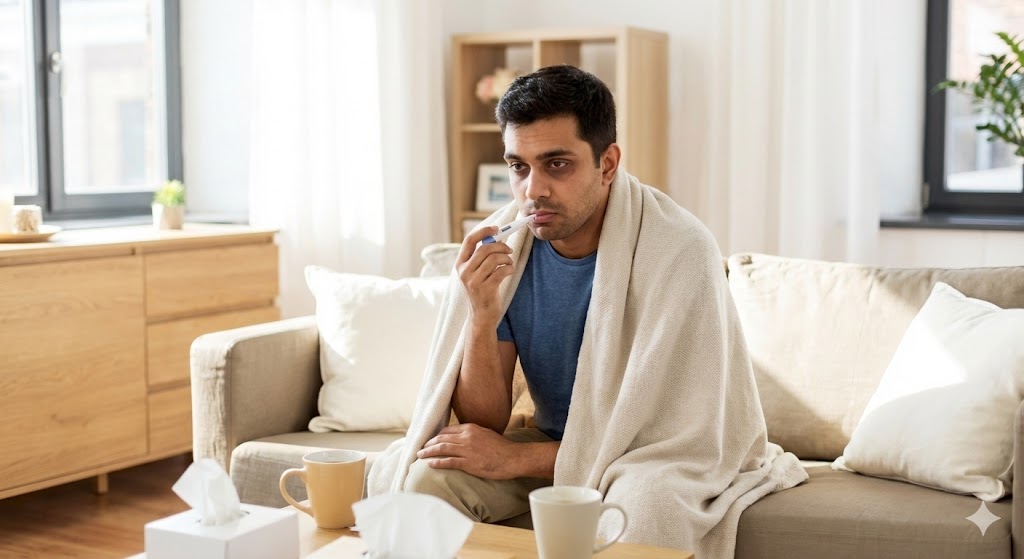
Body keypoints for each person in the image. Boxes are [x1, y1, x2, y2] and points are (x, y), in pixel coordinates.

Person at [368, 65, 806, 558]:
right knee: (428, 479)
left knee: (645, 505)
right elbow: (484, 423)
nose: (533, 190)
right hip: (558, 444)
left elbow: (687, 442)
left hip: (648, 458)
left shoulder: (679, 249)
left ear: (608, 163)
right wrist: (482, 316)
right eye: (518, 167)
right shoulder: (506, 251)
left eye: (557, 164)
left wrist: (517, 458)